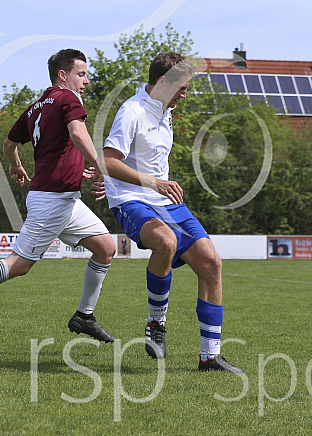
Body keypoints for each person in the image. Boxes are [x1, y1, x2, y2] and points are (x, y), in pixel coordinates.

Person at [0, 48, 117, 343]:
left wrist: (16, 163)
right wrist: (100, 165)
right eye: (81, 74)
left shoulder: (36, 107)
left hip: (63, 198)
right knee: (19, 264)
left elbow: (8, 143)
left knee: (106, 248)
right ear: (62, 75)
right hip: (52, 199)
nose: (86, 81)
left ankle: (84, 316)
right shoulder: (68, 98)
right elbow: (78, 134)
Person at [101, 52, 244, 373]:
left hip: (166, 202)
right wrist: (154, 183)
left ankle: (210, 356)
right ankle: (156, 324)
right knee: (164, 242)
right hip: (131, 200)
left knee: (211, 263)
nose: (186, 93)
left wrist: (158, 185)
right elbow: (108, 160)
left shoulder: (165, 111)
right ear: (162, 82)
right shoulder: (132, 111)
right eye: (182, 87)